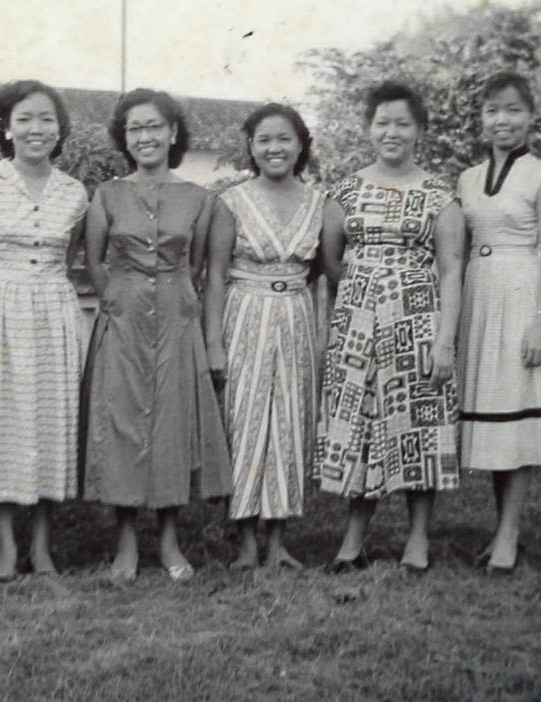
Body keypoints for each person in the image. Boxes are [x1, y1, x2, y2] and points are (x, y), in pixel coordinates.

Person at [83, 88, 232, 583]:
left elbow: (198, 267)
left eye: (153, 126)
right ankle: (126, 542)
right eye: (134, 128)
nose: (144, 137)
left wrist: (184, 307)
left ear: (172, 133)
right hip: (123, 319)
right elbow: (94, 261)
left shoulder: (199, 199)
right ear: (124, 138)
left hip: (175, 317)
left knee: (172, 424)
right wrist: (115, 300)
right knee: (122, 423)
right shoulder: (107, 195)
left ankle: (169, 541)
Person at [316, 81, 464, 574]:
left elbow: (451, 269)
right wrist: (365, 295)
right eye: (382, 122)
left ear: (419, 130)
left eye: (403, 123)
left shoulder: (440, 196)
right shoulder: (345, 191)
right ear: (368, 128)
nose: (392, 132)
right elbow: (331, 261)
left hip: (418, 322)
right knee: (359, 427)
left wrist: (444, 341)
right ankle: (353, 540)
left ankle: (417, 540)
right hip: (357, 326)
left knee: (419, 426)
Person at [0, 80, 89, 582]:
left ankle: (42, 545)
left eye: (47, 119)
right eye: (25, 118)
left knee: (51, 423)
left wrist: (38, 291)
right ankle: (7, 548)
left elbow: (68, 256)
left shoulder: (74, 193)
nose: (37, 129)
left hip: (52, 311)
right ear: (6, 127)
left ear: (60, 128)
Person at [204, 103, 343, 570]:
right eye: (263, 139)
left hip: (297, 317)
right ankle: (246, 541)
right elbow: (215, 275)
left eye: (284, 138)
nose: (274, 148)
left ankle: (279, 541)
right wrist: (213, 343)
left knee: (290, 420)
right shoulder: (231, 201)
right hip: (244, 313)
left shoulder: (320, 202)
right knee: (243, 421)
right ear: (251, 147)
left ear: (301, 145)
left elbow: (326, 268)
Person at [457, 71, 541, 574]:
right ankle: (501, 528)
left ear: (531, 117)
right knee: (494, 419)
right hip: (480, 297)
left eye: (513, 110)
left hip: (523, 299)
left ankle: (509, 533)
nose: (503, 120)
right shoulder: (467, 178)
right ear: (481, 119)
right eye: (493, 111)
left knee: (516, 417)